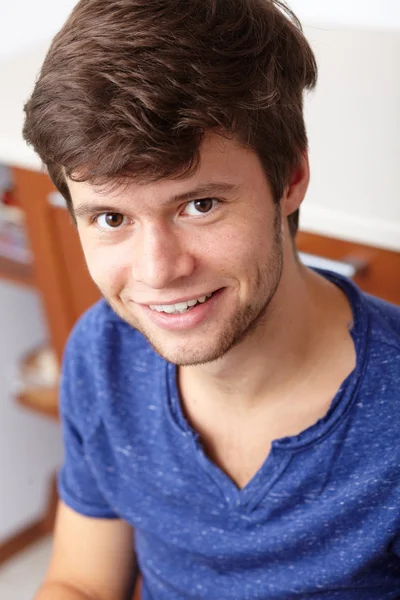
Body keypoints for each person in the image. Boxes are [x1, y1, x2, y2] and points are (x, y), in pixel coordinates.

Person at [23, 0, 400, 598]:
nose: (159, 271)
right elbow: (81, 581)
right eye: (112, 216)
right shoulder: (105, 351)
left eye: (200, 205)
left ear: (291, 179)